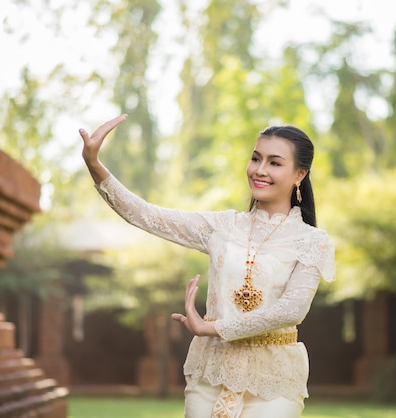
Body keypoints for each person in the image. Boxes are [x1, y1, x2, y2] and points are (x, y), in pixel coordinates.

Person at [79, 114, 334, 418]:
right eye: (256, 159)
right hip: (211, 370)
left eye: (275, 163)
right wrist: (95, 164)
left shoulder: (312, 240)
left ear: (299, 174)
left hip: (274, 380)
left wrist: (213, 328)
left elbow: (292, 309)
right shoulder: (223, 227)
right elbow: (147, 215)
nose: (260, 170)